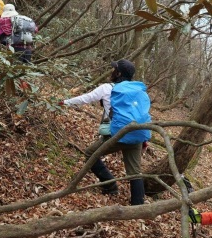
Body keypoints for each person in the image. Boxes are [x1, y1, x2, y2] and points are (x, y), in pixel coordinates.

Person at [60, 59, 151, 205]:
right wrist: (144, 139)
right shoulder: (136, 90)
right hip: (137, 134)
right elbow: (140, 114)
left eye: (114, 69)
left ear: (118, 73)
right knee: (135, 171)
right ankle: (138, 205)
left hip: (117, 135)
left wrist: (64, 102)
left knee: (90, 153)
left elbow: (86, 98)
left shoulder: (107, 88)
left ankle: (109, 185)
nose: (112, 71)